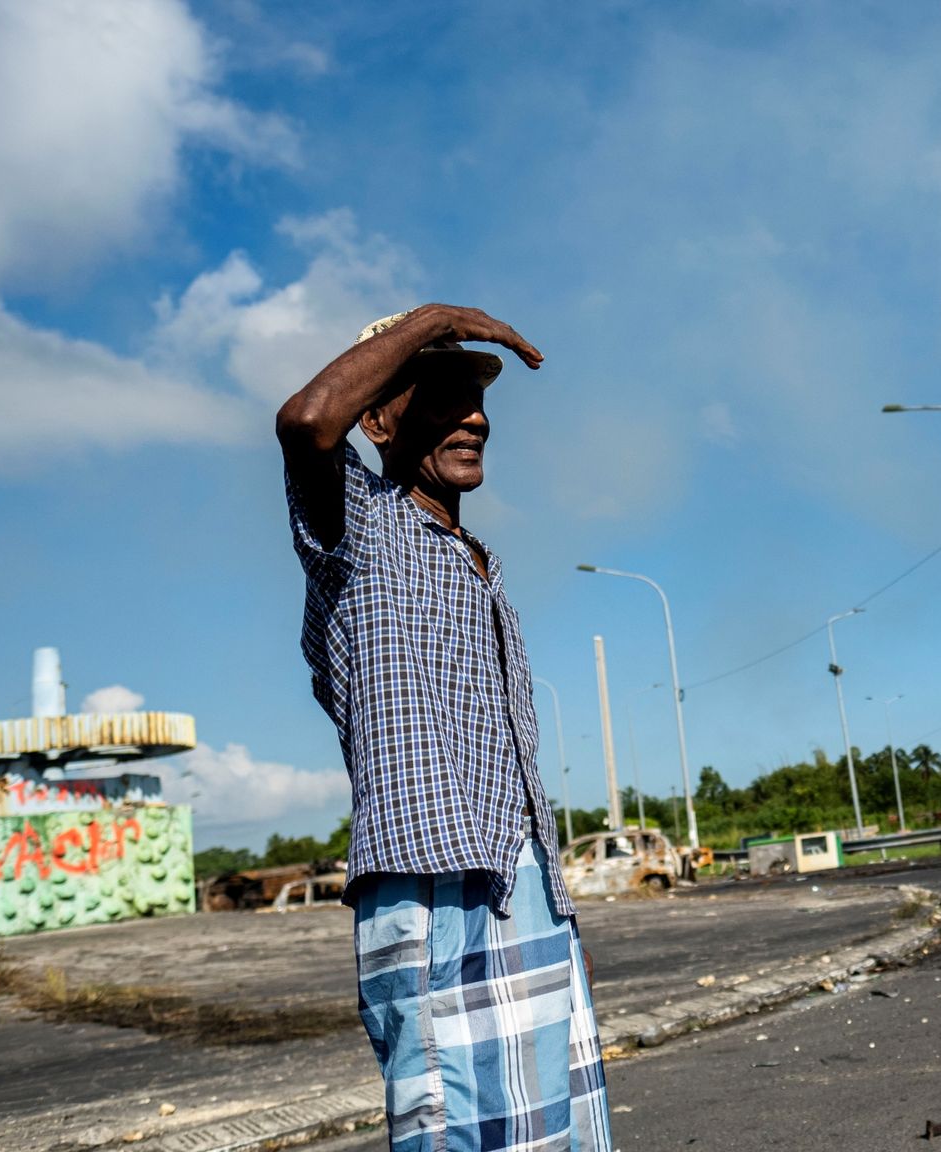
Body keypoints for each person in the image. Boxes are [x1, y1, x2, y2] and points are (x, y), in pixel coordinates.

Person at [277, 304, 610, 1151]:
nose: (474, 418)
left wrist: (554, 908)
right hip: (430, 883)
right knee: (455, 1126)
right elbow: (307, 422)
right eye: (439, 396)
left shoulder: (479, 562)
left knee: (558, 1130)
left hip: (522, 881)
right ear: (378, 422)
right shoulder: (362, 527)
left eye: (478, 399)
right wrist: (441, 317)